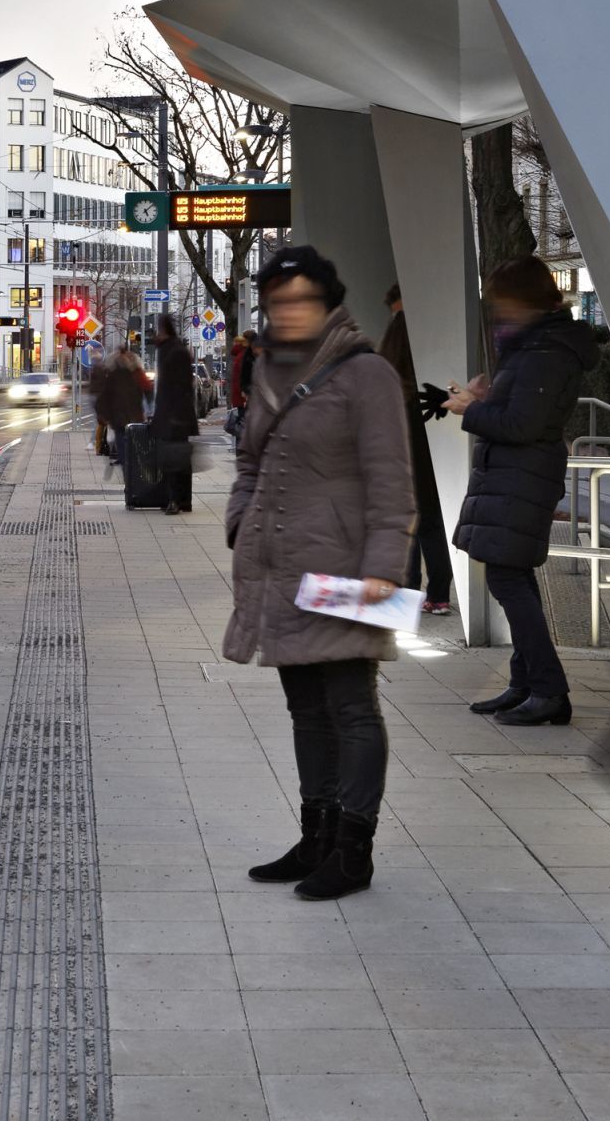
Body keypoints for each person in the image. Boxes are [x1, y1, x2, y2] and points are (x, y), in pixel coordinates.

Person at [224, 246, 413, 901]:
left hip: (350, 569)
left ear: (329, 304)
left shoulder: (367, 376)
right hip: (282, 569)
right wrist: (239, 522)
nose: (290, 312)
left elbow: (393, 483)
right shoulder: (270, 370)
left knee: (351, 706)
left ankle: (352, 851)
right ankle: (317, 835)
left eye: (302, 300)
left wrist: (386, 567)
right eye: (279, 302)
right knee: (306, 707)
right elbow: (248, 461)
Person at [444, 256, 598, 726]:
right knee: (514, 575)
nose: (500, 315)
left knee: (508, 578)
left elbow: (523, 424)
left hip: (523, 474)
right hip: (515, 473)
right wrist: (485, 399)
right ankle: (527, 683)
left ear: (526, 301)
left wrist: (470, 409)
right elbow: (524, 413)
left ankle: (549, 689)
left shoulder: (546, 351)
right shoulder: (536, 344)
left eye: (505, 304)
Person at [377, 284, 454, 617]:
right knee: (432, 524)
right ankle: (438, 594)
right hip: (431, 448)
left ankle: (405, 593)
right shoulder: (432, 345)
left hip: (399, 450)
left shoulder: (398, 335)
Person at [151, 313, 199, 515]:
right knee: (180, 459)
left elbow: (179, 386)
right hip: (174, 413)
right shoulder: (171, 349)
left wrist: (171, 414)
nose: (156, 333)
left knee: (172, 460)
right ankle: (183, 500)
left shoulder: (173, 351)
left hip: (174, 415)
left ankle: (175, 500)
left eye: (159, 329)